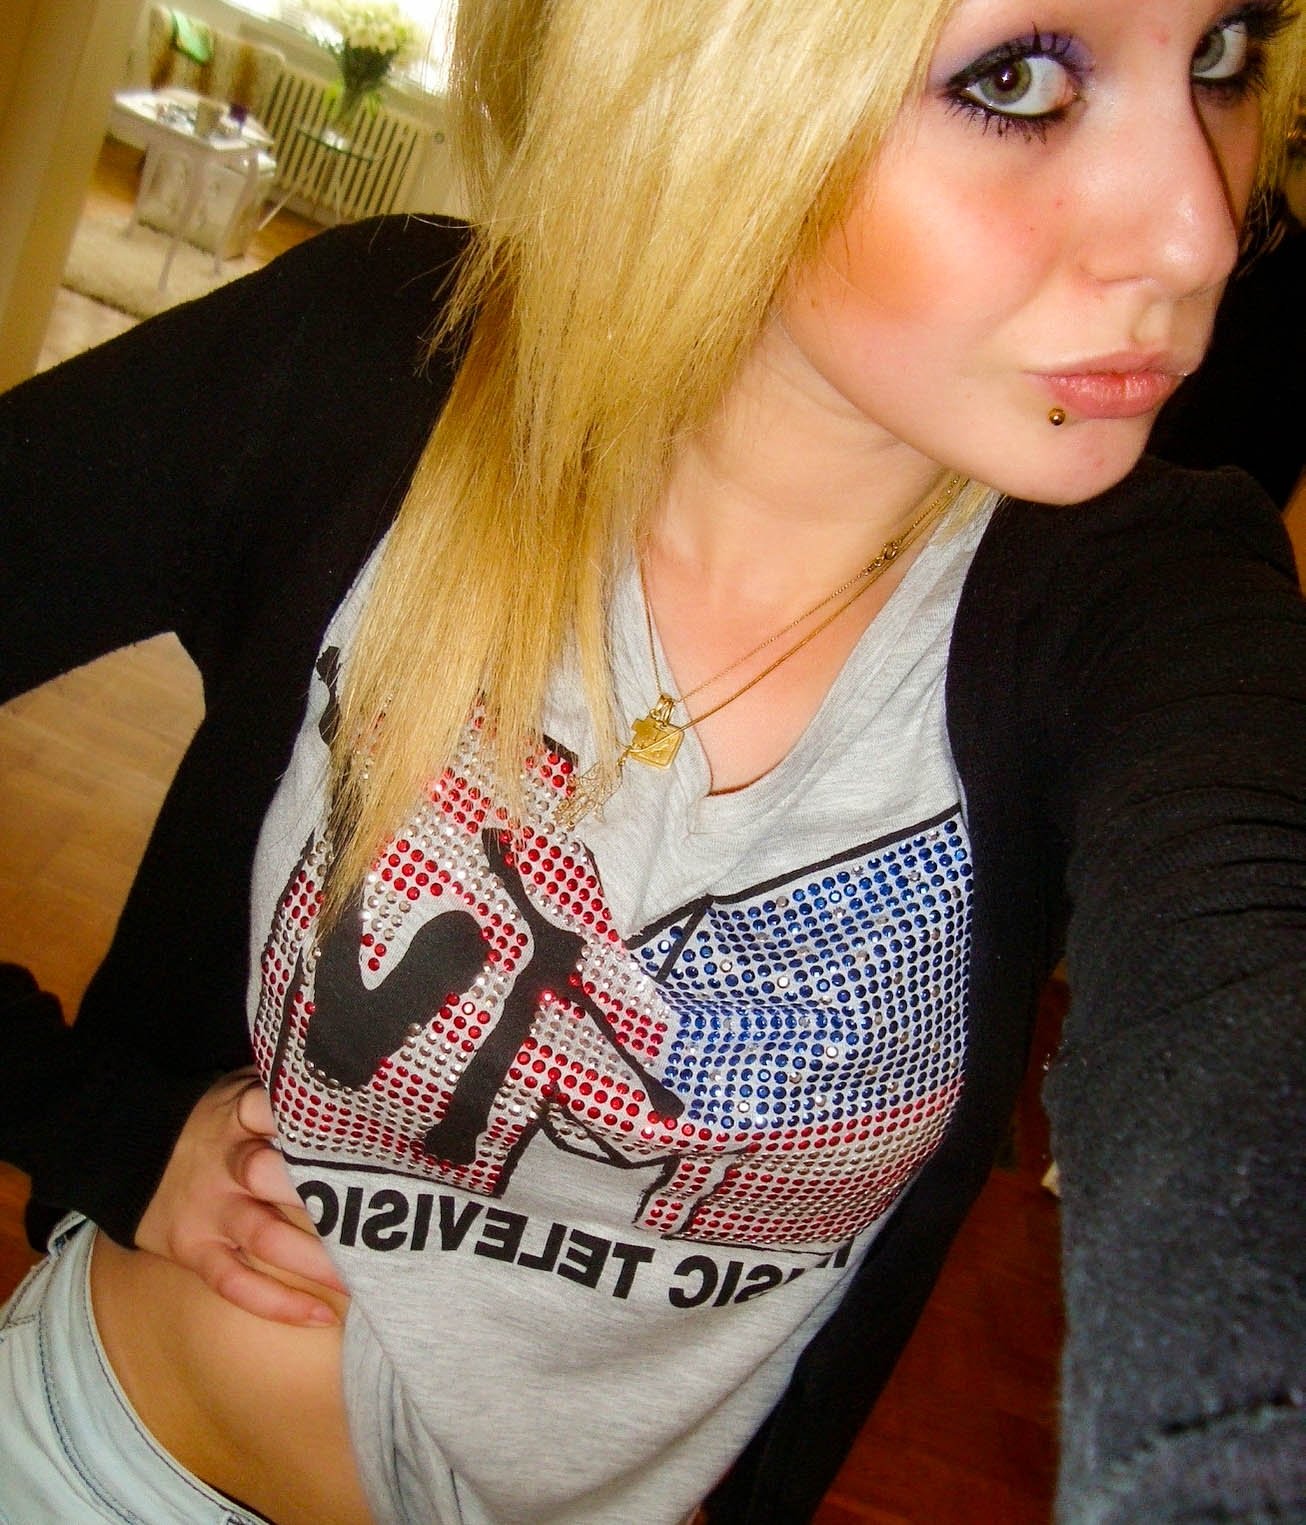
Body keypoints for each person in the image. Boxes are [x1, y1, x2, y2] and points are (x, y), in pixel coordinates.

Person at [1, 0, 1304, 1520]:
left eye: (1223, 53)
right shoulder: (376, 364)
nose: (1199, 232)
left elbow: (1243, 1010)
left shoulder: (1150, 599)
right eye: (1013, 80)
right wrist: (97, 1122)